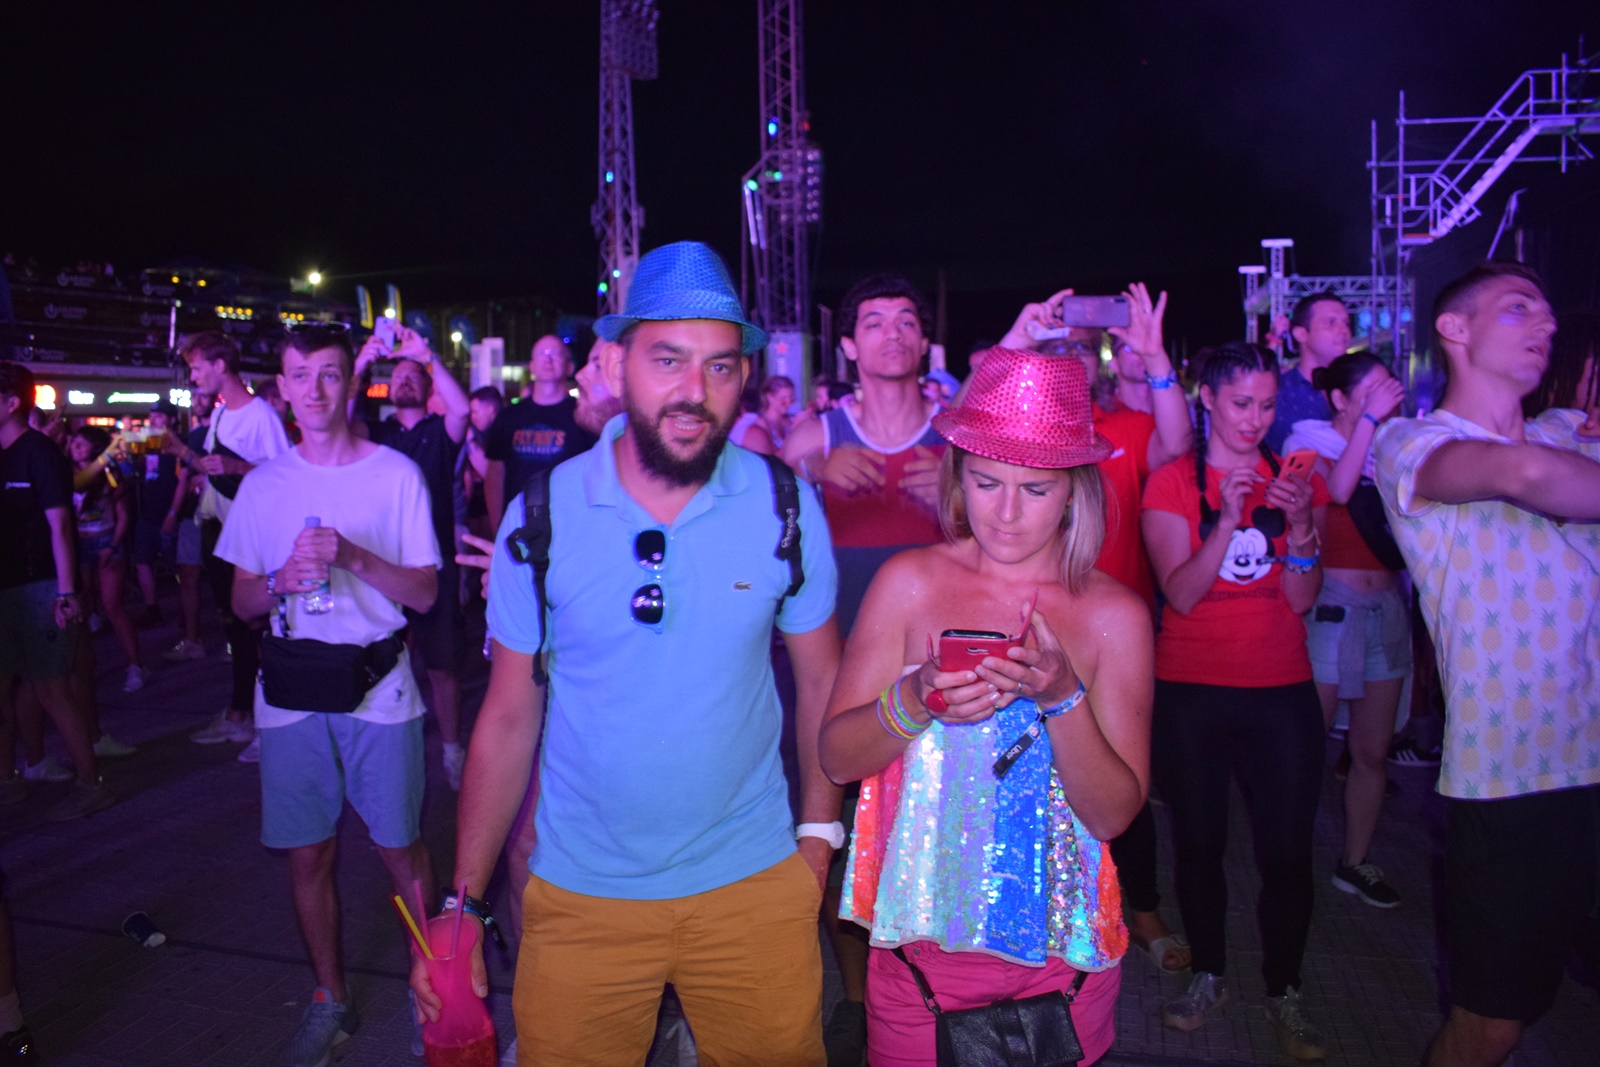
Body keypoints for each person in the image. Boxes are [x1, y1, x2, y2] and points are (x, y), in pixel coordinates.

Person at [413, 241, 841, 1067]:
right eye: (668, 359)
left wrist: (817, 840)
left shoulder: (784, 504)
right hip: (583, 897)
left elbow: (823, 678)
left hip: (752, 886)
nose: (696, 391)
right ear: (614, 363)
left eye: (721, 366)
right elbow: (508, 716)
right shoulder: (542, 515)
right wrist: (463, 903)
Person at [821, 348, 1151, 1067]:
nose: (1005, 512)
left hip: (1065, 964)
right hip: (917, 959)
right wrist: (915, 698)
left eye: (1035, 489)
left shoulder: (1114, 616)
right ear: (957, 475)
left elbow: (1113, 815)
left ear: (1075, 491)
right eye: (986, 481)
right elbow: (838, 757)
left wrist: (1061, 697)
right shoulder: (907, 583)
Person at [1373, 262, 1600, 1067]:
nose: (1545, 323)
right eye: (1517, 307)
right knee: (1492, 1024)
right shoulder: (1413, 444)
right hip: (1516, 781)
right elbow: (1521, 474)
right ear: (1455, 329)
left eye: (1548, 312)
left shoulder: (1567, 432)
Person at [216, 324, 440, 1067]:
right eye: (300, 375)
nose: (315, 389)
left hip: (380, 691)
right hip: (290, 695)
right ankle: (330, 998)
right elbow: (242, 600)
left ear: (351, 383)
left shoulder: (395, 475)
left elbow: (426, 594)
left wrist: (353, 556)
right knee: (307, 853)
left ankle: (430, 992)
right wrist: (278, 579)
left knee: (399, 849)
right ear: (282, 388)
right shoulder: (263, 485)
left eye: (330, 373)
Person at [1140, 341, 1330, 1059]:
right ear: (1210, 400)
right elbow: (1181, 594)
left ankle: (1286, 988)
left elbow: (1302, 598)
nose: (1255, 418)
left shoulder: (1297, 479)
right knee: (1199, 842)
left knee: (1287, 851)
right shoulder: (1170, 483)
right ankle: (1210, 973)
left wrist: (1302, 524)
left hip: (1280, 687)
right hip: (1192, 688)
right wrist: (1225, 519)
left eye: (1267, 404)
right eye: (1242, 402)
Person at [1001, 284, 1196, 974]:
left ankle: (1142, 908)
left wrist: (1156, 357)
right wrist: (1014, 345)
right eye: (1059, 348)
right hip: (1022, 633)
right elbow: (960, 434)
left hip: (1110, 640)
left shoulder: (1125, 428)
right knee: (1021, 779)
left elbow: (1178, 442)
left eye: (1085, 348)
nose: (1073, 359)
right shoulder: (1018, 429)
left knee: (1119, 780)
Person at [780, 272, 945, 1062]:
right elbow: (758, 523)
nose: (892, 334)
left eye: (906, 321)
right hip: (835, 675)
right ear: (847, 345)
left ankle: (928, 993)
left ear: (924, 341)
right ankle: (854, 996)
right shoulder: (812, 437)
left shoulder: (956, 441)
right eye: (874, 322)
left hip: (933, 681)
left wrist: (956, 500)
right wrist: (810, 477)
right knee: (837, 840)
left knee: (927, 834)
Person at [1284, 352, 1410, 909]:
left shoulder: (1395, 444)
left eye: (1390, 388)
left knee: (1372, 751)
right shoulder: (1307, 441)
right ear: (1340, 399)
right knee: (1308, 744)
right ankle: (1287, 858)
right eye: (1373, 390)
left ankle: (1355, 862)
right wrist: (1369, 422)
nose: (1386, 398)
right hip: (1331, 605)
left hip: (1387, 605)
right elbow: (1334, 491)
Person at [165, 331, 292, 755]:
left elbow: (285, 476)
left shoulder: (261, 416)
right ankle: (242, 713)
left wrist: (237, 467)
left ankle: (265, 723)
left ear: (221, 366)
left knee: (256, 629)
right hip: (219, 532)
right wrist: (182, 453)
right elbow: (212, 468)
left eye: (197, 367)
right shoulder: (219, 415)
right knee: (234, 627)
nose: (193, 376)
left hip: (251, 536)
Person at [357, 326, 472, 790]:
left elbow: (462, 410)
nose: (404, 380)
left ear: (426, 387)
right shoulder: (375, 434)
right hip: (382, 566)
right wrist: (362, 363)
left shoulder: (439, 432)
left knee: (442, 667)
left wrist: (428, 357)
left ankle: (452, 750)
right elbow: (340, 413)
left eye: (414, 376)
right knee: (382, 661)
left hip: (434, 565)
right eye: (397, 375)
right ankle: (385, 749)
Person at [0, 361, 111, 821]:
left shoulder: (39, 452)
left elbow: (61, 526)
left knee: (51, 687)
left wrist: (67, 593)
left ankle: (90, 782)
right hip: (7, 585)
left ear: (11, 403)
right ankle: (8, 781)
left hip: (41, 585)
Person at [483, 334, 597, 531]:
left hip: (569, 524)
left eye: (556, 354)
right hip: (518, 523)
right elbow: (495, 473)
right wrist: (497, 526)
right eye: (541, 354)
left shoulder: (584, 415)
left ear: (570, 367)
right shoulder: (509, 416)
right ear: (532, 366)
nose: (548, 359)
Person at [67, 426, 145, 693]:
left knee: (113, 605)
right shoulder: (67, 473)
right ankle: (83, 670)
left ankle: (135, 665)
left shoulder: (110, 474)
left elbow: (123, 515)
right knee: (82, 604)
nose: (76, 447)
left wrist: (112, 546)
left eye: (83, 443)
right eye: (74, 442)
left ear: (97, 447)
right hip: (79, 543)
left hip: (106, 540)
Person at [1266, 292, 1351, 454]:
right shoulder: (1278, 390)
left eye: (1346, 323)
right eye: (1330, 323)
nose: (1344, 330)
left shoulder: (1355, 386)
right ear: (1301, 334)